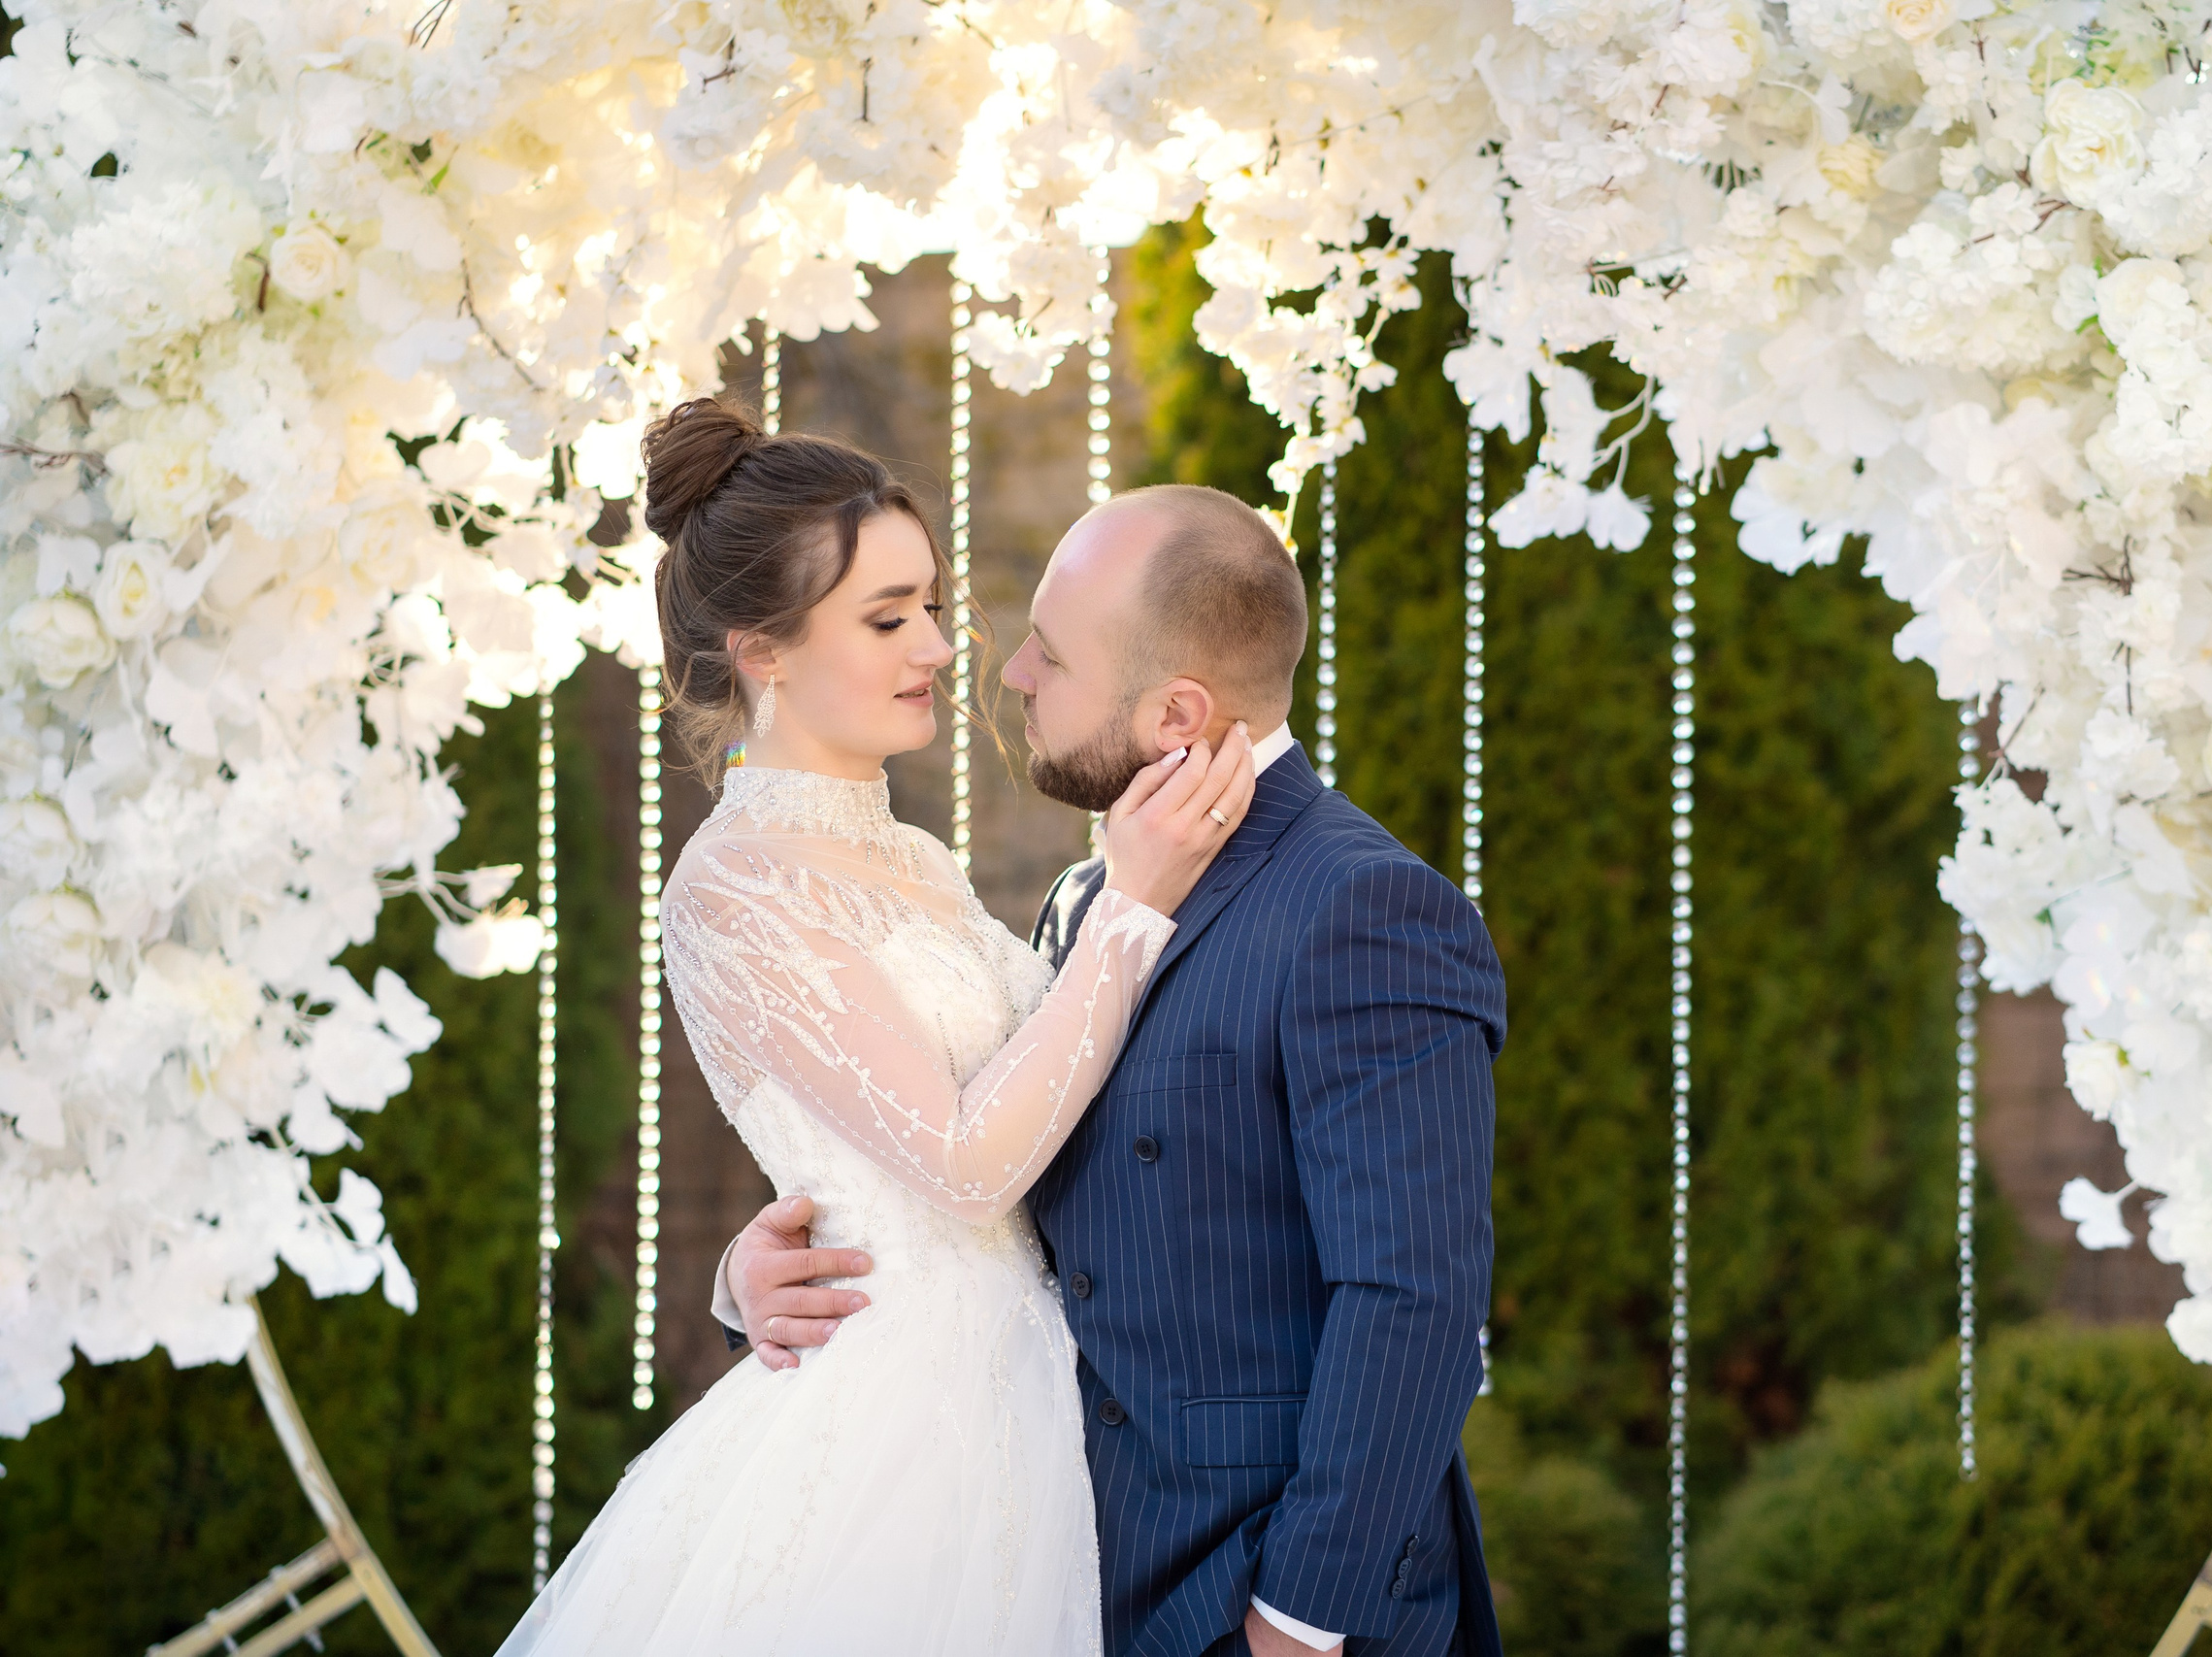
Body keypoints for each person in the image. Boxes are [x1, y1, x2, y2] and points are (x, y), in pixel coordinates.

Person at [496, 400, 1255, 1657]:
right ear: (766, 650)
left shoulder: (908, 856)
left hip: (1042, 1394)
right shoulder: (735, 885)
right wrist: (1132, 908)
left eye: (935, 604)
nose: (942, 646)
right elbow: (963, 1160)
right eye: (888, 616)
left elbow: (1017, 1093)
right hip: (911, 1434)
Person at [719, 479, 1508, 1656]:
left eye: (1050, 655)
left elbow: (1414, 1304)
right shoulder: (1090, 896)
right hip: (1067, 1563)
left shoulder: (1364, 907)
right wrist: (761, 1275)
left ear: (1176, 716)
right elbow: (998, 1184)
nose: (1009, 675)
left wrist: (1297, 1622)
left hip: (1263, 1602)